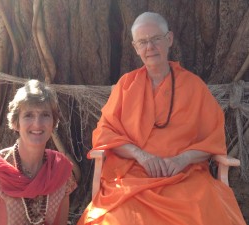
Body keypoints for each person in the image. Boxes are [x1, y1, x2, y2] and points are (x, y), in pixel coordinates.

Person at [77, 12, 246, 225]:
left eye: (156, 39)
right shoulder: (126, 85)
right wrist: (141, 156)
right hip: (134, 176)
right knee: (118, 218)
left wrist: (182, 159)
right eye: (143, 42)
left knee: (203, 208)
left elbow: (212, 139)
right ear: (135, 48)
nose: (150, 47)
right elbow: (105, 132)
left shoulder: (194, 86)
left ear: (170, 39)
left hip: (185, 175)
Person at [0, 80, 76, 225]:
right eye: (29, 115)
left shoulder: (61, 171)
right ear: (15, 122)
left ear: (53, 122)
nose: (37, 123)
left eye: (45, 115)